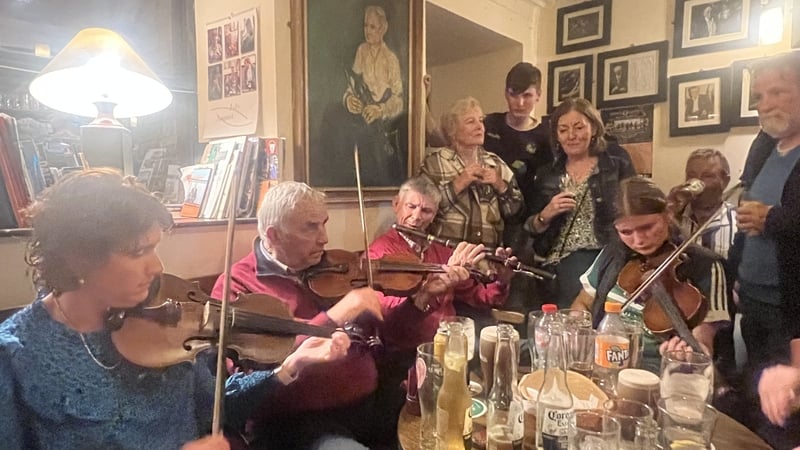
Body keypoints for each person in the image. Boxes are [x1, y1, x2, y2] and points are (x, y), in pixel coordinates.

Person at [0, 169, 351, 450]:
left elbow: (215, 406)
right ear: (79, 259)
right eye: (138, 252)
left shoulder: (165, 318)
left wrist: (289, 367)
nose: (156, 267)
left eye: (155, 248)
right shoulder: (17, 355)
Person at [211, 181, 395, 450]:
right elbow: (248, 371)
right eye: (311, 227)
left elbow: (383, 328)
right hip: (298, 422)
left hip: (369, 402)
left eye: (324, 223)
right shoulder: (238, 287)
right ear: (273, 235)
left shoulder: (334, 269)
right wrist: (333, 316)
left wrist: (421, 301)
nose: (324, 238)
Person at [570, 176, 730, 373]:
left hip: (661, 372)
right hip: (605, 364)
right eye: (626, 232)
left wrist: (686, 352)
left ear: (667, 215)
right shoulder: (613, 255)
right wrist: (578, 330)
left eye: (647, 227)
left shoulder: (704, 265)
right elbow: (583, 302)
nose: (638, 240)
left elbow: (703, 339)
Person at [368, 176, 515, 353]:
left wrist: (501, 281)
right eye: (411, 207)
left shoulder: (441, 250)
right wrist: (432, 289)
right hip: (406, 350)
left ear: (434, 214)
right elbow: (389, 316)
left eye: (426, 211)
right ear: (396, 204)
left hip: (450, 343)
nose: (416, 217)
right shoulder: (380, 253)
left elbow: (479, 297)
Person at [526, 97, 635, 308]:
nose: (572, 136)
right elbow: (530, 227)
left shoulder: (616, 161)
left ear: (593, 128)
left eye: (579, 127)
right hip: (557, 262)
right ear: (556, 135)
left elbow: (635, 205)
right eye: (563, 130)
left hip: (605, 254)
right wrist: (546, 214)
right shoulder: (547, 174)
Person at [481, 62, 553, 311]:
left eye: (527, 96)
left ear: (538, 96)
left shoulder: (546, 136)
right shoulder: (489, 123)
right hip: (483, 218)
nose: (520, 102)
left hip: (521, 227)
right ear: (505, 92)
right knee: (477, 290)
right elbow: (449, 137)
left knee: (515, 299)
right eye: (514, 94)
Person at [420, 96, 523, 248]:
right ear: (452, 129)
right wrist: (458, 184)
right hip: (447, 258)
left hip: (488, 260)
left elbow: (516, 212)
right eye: (470, 122)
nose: (479, 126)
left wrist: (500, 185)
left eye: (481, 120)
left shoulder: (496, 164)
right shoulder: (434, 164)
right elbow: (421, 210)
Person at [343, 5, 404, 186]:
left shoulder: (391, 59)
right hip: (362, 119)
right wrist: (348, 100)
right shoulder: (361, 51)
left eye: (372, 27)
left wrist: (380, 109)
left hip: (383, 124)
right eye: (365, 26)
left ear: (382, 29)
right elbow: (352, 86)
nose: (367, 31)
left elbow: (399, 99)